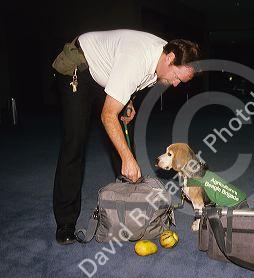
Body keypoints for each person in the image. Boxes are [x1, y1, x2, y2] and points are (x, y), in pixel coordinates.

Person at [52, 29, 201, 245]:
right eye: (177, 77)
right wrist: (127, 157)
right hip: (79, 67)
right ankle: (65, 223)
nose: (176, 84)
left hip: (105, 73)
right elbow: (107, 114)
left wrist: (127, 100)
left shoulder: (163, 56)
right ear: (169, 59)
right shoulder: (137, 58)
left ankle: (130, 202)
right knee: (75, 142)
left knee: (119, 139)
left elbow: (129, 78)